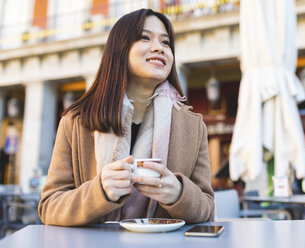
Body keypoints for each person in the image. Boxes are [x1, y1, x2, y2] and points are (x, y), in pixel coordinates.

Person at [38, 9, 214, 226]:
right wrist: (100, 191)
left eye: (166, 43)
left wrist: (178, 194)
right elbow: (49, 207)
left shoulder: (193, 126)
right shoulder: (76, 121)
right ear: (119, 49)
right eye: (145, 37)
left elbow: (207, 208)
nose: (159, 48)